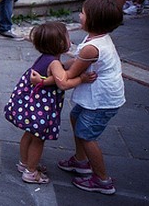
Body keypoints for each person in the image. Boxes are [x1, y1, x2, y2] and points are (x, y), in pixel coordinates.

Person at [45, 0, 125, 195]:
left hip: (102, 99)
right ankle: (81, 162)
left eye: (83, 13)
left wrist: (55, 68)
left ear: (93, 20)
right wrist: (64, 66)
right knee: (76, 118)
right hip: (95, 96)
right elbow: (77, 62)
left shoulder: (92, 47)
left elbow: (69, 76)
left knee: (87, 135)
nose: (80, 15)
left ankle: (102, 179)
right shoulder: (95, 38)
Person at [7, 22, 96, 185]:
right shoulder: (54, 63)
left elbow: (60, 70)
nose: (70, 40)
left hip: (33, 105)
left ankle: (25, 163)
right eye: (67, 37)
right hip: (42, 108)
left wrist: (77, 62)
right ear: (59, 43)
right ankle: (31, 172)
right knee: (38, 139)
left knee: (29, 134)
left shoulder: (47, 58)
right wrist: (81, 79)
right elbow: (63, 82)